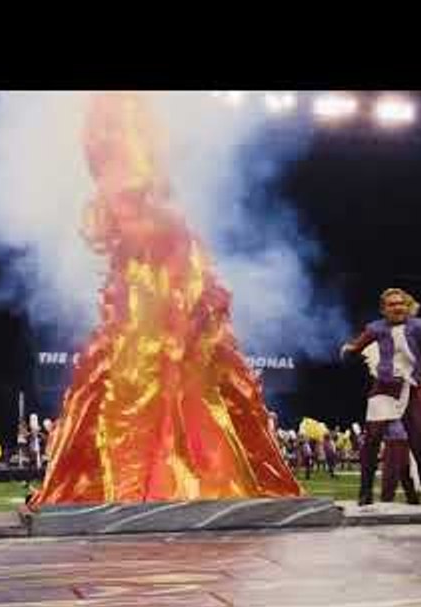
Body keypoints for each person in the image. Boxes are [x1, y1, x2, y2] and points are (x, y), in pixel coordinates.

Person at [30, 92, 300, 506]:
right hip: (144, 308)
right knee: (134, 385)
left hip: (170, 306)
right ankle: (138, 485)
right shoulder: (124, 171)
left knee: (181, 381)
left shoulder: (160, 207)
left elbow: (150, 213)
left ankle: (165, 480)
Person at [341, 288, 421, 506]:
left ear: (406, 306)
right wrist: (349, 350)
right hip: (383, 388)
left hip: (412, 389)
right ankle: (365, 494)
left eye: (400, 303)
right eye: (391, 304)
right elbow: (357, 345)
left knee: (420, 445)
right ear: (383, 310)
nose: (397, 307)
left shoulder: (420, 326)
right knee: (371, 441)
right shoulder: (375, 328)